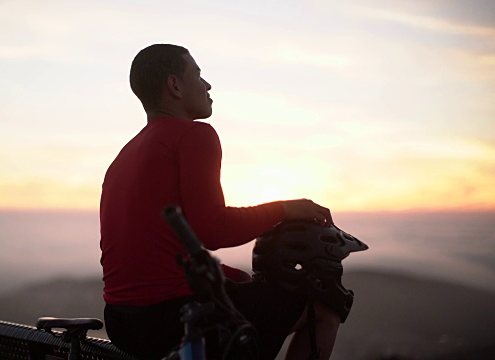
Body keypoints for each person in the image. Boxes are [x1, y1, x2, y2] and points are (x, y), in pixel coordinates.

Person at [100, 44, 340, 360]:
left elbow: (158, 252)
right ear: (174, 86)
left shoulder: (123, 156)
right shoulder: (194, 135)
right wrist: (285, 208)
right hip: (175, 318)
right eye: (198, 75)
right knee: (325, 304)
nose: (208, 85)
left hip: (122, 321)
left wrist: (230, 276)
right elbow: (214, 230)